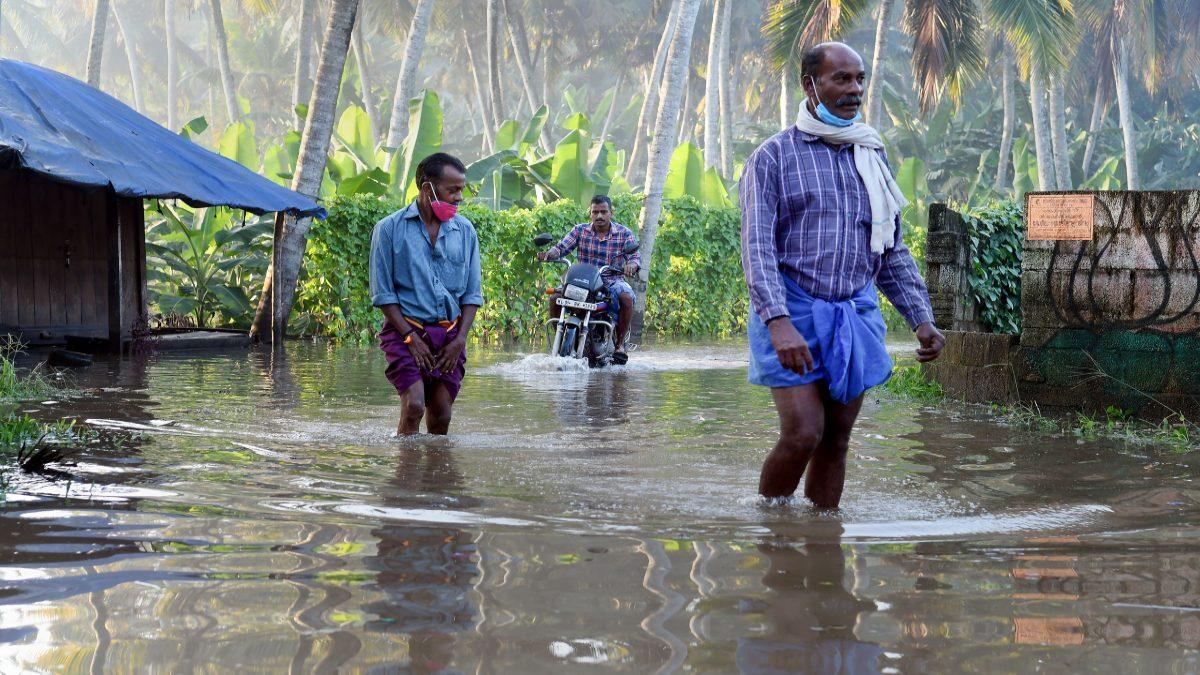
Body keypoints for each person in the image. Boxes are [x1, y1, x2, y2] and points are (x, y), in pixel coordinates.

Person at [739, 42, 945, 508]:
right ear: (810, 85)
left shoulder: (869, 154)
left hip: (854, 311)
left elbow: (889, 247)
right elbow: (757, 248)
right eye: (841, 79)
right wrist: (777, 321)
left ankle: (823, 545)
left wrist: (921, 318)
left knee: (837, 439)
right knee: (803, 434)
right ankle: (771, 531)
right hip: (792, 313)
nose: (854, 90)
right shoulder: (772, 157)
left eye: (859, 79)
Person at [370, 153, 484, 436]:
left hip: (450, 335)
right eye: (453, 190)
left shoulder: (465, 231)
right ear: (427, 189)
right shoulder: (388, 229)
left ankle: (435, 478)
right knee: (414, 407)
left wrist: (459, 340)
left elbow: (472, 294)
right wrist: (410, 337)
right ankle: (406, 476)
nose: (459, 197)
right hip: (405, 331)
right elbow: (384, 295)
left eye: (461, 189)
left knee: (442, 413)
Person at [536, 195, 640, 360]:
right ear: (590, 213)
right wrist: (549, 254)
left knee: (626, 298)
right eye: (595, 212)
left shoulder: (624, 233)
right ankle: (561, 337)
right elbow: (562, 247)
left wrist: (631, 266)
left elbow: (634, 257)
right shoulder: (580, 230)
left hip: (611, 280)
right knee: (554, 298)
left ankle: (620, 346)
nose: (599, 216)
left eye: (603, 212)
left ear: (611, 213)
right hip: (583, 280)